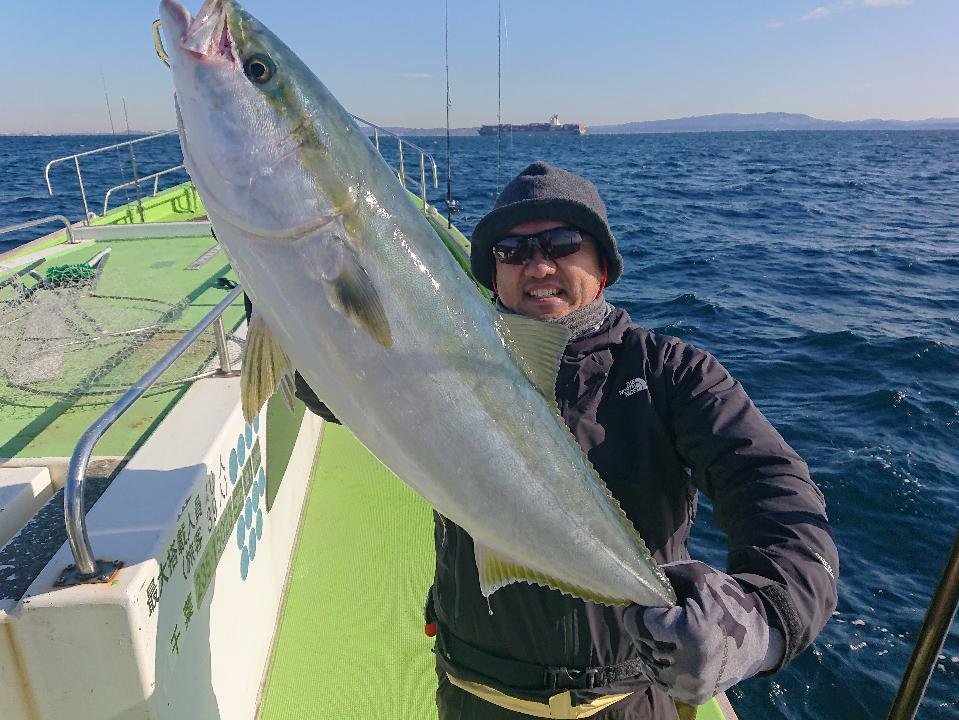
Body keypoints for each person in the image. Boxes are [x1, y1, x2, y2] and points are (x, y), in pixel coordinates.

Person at [425, 161, 839, 720]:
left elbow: (770, 485)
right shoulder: (443, 367)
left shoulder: (672, 372)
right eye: (511, 250)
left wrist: (762, 620)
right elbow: (338, 379)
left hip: (630, 699)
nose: (538, 265)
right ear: (494, 275)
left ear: (603, 266)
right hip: (474, 696)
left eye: (562, 243)